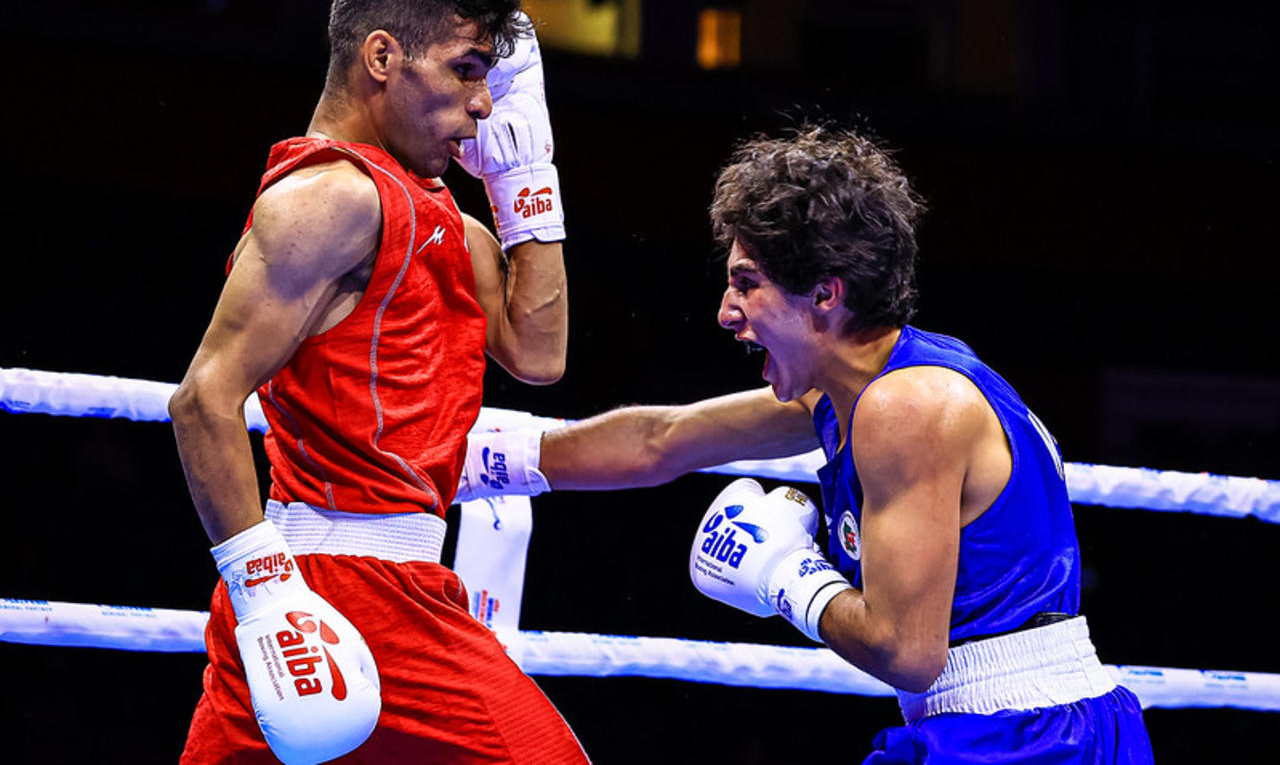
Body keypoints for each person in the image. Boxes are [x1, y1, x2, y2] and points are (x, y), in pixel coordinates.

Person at [458, 124, 1154, 763]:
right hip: (1020, 726)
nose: (726, 312)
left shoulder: (905, 406)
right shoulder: (860, 389)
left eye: (747, 285)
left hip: (1022, 734)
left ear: (825, 294)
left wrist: (789, 576)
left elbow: (909, 653)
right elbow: (663, 440)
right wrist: (486, 461)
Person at [169, 0, 587, 763]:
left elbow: (540, 357)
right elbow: (203, 398)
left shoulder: (440, 216)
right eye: (466, 71)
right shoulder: (331, 197)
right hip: (320, 577)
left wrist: (526, 182)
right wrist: (265, 591)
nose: (484, 103)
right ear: (384, 57)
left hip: (406, 586)